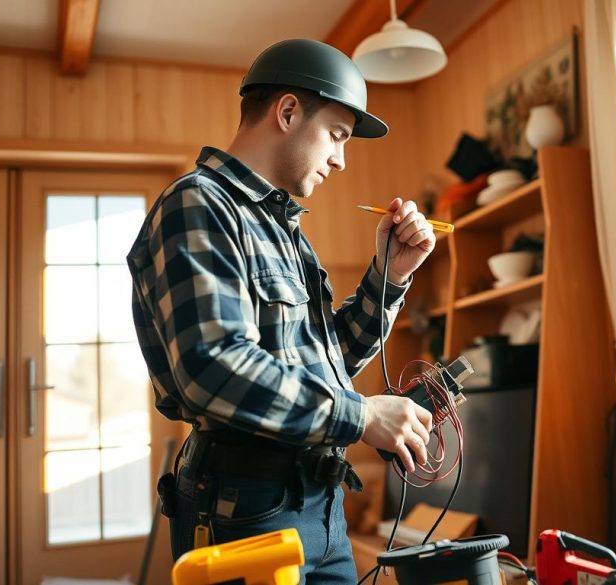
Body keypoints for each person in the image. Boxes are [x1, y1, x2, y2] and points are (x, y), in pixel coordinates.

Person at [126, 38, 436, 583]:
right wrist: (362, 416)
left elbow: (328, 360)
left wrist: (391, 276)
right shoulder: (197, 204)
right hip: (242, 510)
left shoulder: (283, 229)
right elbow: (212, 367)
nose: (341, 159)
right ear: (288, 111)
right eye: (337, 135)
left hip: (319, 501)